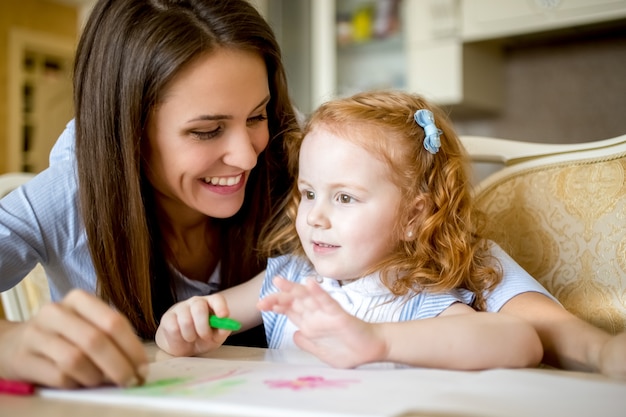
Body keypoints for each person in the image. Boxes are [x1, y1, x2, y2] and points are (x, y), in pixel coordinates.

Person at [0, 0, 299, 388]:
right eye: (206, 131)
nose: (247, 156)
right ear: (129, 132)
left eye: (257, 116)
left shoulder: (293, 159)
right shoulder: (68, 195)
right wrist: (8, 343)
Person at [155, 91, 545, 370]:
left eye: (344, 198)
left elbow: (521, 342)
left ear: (413, 217)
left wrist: (378, 340)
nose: (314, 217)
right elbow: (215, 316)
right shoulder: (290, 279)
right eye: (308, 193)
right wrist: (183, 326)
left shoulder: (415, 301)